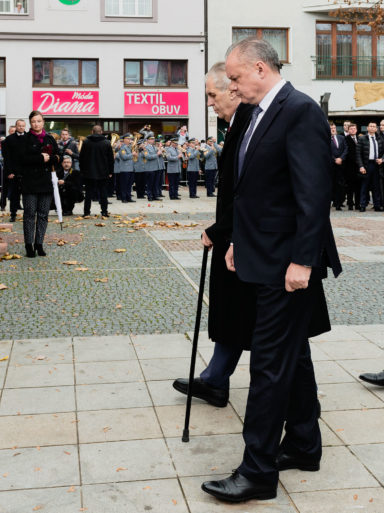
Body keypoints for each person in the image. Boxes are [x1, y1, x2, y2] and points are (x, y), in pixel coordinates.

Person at [201, 37, 342, 503]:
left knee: (268, 364)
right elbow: (253, 191)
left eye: (236, 78)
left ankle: (258, 471)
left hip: (288, 263)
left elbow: (312, 194)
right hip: (260, 254)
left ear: (260, 69)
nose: (233, 87)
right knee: (291, 355)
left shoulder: (299, 111)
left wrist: (303, 260)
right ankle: (303, 443)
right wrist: (237, 239)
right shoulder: (254, 113)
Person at [172, 62, 258, 409]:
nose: (210, 102)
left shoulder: (249, 125)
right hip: (233, 235)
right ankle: (215, 379)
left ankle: (218, 380)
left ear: (234, 89)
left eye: (213, 94)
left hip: (245, 240)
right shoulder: (237, 125)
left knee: (243, 314)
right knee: (232, 311)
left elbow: (248, 190)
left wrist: (221, 231)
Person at [18, 110, 60, 257]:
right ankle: (29, 245)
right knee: (29, 214)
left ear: (43, 122)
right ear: (30, 123)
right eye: (34, 121)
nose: (36, 124)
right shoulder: (24, 139)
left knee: (43, 215)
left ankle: (39, 244)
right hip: (30, 183)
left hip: (46, 183)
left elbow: (58, 156)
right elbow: (21, 159)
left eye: (39, 121)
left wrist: (51, 158)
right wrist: (39, 158)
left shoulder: (49, 138)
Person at [79, 125, 113, 217]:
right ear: (101, 132)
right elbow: (111, 159)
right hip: (103, 172)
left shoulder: (86, 142)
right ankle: (104, 212)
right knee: (103, 193)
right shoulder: (106, 142)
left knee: (88, 193)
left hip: (89, 172)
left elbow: (81, 158)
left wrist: (82, 171)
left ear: (92, 131)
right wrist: (111, 172)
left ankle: (86, 212)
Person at [1, 119, 27, 222]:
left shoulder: (29, 138)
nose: (21, 127)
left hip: (26, 172)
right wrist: (9, 172)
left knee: (27, 195)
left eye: (23, 126)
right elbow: (7, 157)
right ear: (16, 126)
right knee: (14, 195)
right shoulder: (9, 139)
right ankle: (13, 214)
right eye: (19, 125)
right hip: (14, 171)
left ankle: (28, 214)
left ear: (25, 126)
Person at [356, 121, 384, 212]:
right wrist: (361, 166)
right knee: (364, 186)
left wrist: (382, 159)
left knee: (376, 187)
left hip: (377, 165)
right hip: (366, 165)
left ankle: (377, 205)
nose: (372, 128)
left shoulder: (380, 139)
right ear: (367, 128)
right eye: (370, 126)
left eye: (374, 126)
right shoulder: (362, 138)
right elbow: (358, 154)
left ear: (376, 128)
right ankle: (363, 205)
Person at [330, 123, 348, 211]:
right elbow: (326, 151)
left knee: (340, 185)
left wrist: (341, 158)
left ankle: (338, 203)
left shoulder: (341, 138)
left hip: (341, 165)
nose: (333, 129)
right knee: (332, 185)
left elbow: (346, 149)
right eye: (331, 128)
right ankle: (332, 201)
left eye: (334, 128)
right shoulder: (326, 139)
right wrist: (334, 159)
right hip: (331, 166)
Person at [114, 135, 136, 202]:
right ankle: (123, 198)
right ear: (124, 139)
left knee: (129, 184)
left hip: (131, 168)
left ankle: (128, 197)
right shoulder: (122, 148)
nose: (130, 140)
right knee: (124, 185)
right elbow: (124, 157)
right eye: (128, 139)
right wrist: (132, 154)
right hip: (125, 169)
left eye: (130, 139)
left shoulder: (129, 147)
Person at [344, 123, 361, 210]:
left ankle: (358, 204)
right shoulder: (345, 139)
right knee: (350, 187)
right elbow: (347, 153)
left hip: (359, 167)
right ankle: (350, 204)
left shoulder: (360, 138)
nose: (353, 130)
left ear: (356, 130)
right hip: (349, 167)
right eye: (351, 129)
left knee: (358, 187)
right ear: (348, 130)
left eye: (354, 128)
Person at [142, 135, 160, 201]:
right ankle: (149, 196)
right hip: (150, 168)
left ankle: (155, 196)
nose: (153, 140)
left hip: (156, 167)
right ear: (148, 140)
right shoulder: (146, 148)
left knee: (155, 183)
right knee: (150, 183)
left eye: (153, 139)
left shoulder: (154, 147)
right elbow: (148, 157)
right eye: (151, 139)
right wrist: (157, 154)